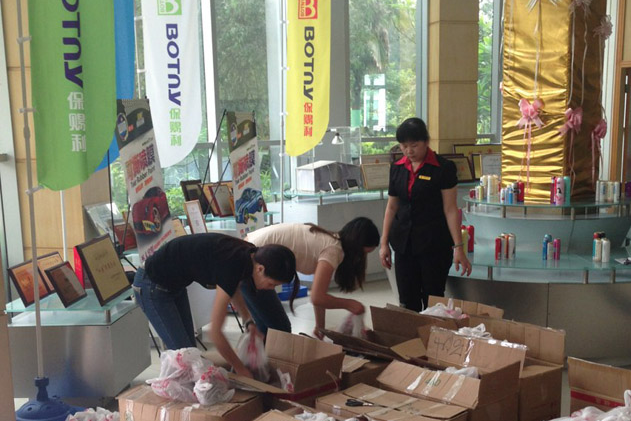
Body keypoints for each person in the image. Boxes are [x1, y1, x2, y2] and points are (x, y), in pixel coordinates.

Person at [132, 233, 298, 376]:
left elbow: (233, 288)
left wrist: (248, 321)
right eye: (272, 284)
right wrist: (241, 369)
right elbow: (216, 334)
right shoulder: (233, 264)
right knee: (186, 358)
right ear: (260, 269)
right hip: (151, 285)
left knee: (190, 354)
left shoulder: (250, 255)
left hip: (174, 285)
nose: (270, 289)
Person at [379, 116, 472, 311]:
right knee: (407, 299)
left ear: (426, 142)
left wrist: (458, 247)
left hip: (434, 244)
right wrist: (384, 242)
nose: (409, 151)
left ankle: (434, 330)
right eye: (404, 146)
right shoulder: (397, 168)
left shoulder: (443, 168)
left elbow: (450, 209)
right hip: (404, 244)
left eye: (414, 145)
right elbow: (392, 207)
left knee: (433, 298)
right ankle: (411, 332)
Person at [244, 217, 381, 337]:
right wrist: (350, 305)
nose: (361, 258)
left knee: (267, 326)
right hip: (251, 261)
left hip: (250, 252)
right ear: (355, 246)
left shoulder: (331, 241)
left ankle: (263, 357)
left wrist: (320, 326)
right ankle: (267, 357)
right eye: (363, 253)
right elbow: (317, 297)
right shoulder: (333, 250)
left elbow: (319, 292)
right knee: (279, 328)